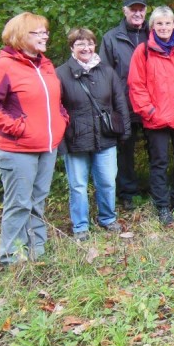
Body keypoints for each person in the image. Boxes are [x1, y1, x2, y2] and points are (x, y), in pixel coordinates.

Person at [0, 12, 68, 265]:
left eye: (45, 32)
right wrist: (18, 128)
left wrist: (62, 120)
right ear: (20, 36)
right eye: (37, 32)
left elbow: (55, 101)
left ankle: (36, 250)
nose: (44, 36)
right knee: (19, 204)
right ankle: (13, 257)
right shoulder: (4, 66)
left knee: (38, 200)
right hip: (17, 149)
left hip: (47, 146)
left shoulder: (46, 65)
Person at [128, 6, 174, 226]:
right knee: (159, 163)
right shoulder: (143, 51)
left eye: (167, 23)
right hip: (156, 119)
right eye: (159, 23)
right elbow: (136, 85)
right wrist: (149, 111)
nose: (163, 27)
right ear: (152, 27)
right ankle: (162, 206)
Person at [57, 28, 131, 241]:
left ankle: (107, 218)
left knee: (107, 181)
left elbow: (120, 103)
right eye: (80, 44)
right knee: (78, 186)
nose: (86, 48)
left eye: (89, 43)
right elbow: (56, 110)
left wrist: (124, 131)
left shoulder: (107, 71)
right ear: (72, 47)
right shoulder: (61, 73)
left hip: (106, 137)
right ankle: (80, 226)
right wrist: (60, 142)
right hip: (75, 139)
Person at [101, 0, 150, 211]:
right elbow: (104, 74)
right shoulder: (111, 38)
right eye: (133, 9)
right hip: (124, 105)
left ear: (146, 11)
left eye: (141, 9)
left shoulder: (156, 34)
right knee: (125, 152)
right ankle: (128, 192)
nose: (137, 13)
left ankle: (154, 187)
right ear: (125, 11)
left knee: (156, 150)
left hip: (152, 105)